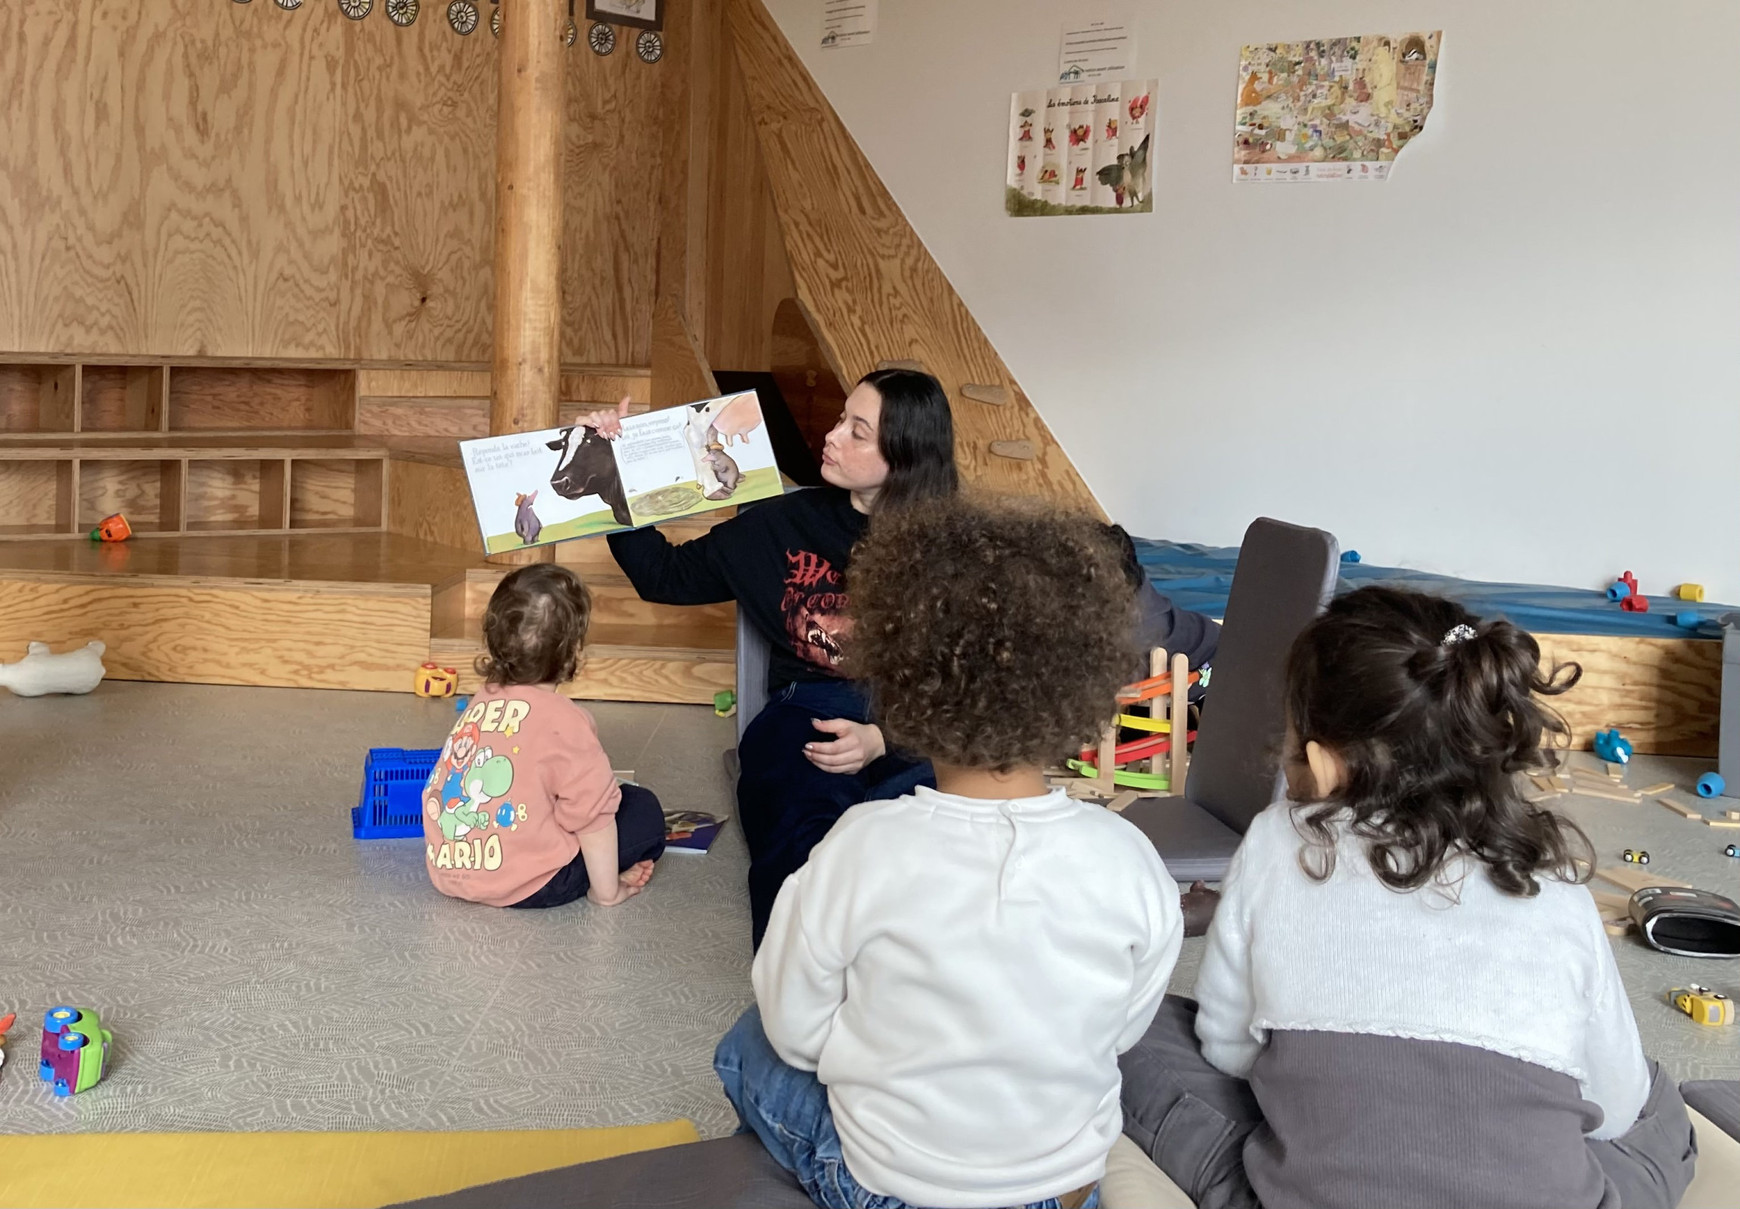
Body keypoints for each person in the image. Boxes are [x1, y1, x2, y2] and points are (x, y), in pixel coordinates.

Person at [1120, 587, 1698, 1209]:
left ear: (1322, 762)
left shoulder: (1277, 839)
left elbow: (1229, 1047)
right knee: (1658, 1105)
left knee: (1133, 1022)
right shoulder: (1552, 878)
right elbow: (1613, 1108)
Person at [714, 498, 1182, 1209]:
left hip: (893, 1186)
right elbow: (1121, 1030)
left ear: (901, 690)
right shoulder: (1130, 856)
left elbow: (795, 1029)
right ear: (1083, 689)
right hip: (1064, 1188)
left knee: (745, 1042)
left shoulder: (860, 844)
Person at [588, 369, 958, 945]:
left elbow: (969, 682)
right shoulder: (781, 522)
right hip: (805, 709)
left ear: (906, 455)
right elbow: (665, 576)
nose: (832, 437)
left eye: (858, 432)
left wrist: (884, 738)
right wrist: (621, 470)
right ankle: (800, 990)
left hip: (920, 718)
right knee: (799, 833)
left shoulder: (956, 545)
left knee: (934, 831)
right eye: (841, 419)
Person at [421, 564, 664, 909]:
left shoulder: (482, 700)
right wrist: (606, 892)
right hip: (533, 883)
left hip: (449, 870)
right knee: (642, 808)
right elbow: (593, 819)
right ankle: (595, 879)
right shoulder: (567, 720)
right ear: (573, 651)